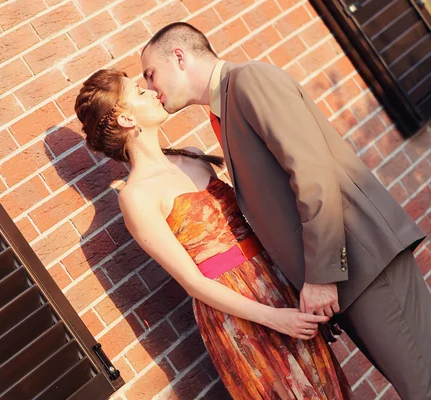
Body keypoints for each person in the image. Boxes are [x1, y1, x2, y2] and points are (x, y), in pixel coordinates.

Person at [141, 22, 430, 399]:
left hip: (365, 265)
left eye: (150, 74)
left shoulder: (249, 82)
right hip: (349, 280)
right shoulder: (223, 109)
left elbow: (312, 172)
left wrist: (323, 276)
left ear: (178, 57)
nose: (150, 88)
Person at [75, 69, 351, 399]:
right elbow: (193, 282)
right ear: (125, 119)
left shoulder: (192, 156)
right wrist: (274, 318)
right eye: (138, 91)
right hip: (240, 313)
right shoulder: (136, 197)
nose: (151, 91)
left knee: (326, 387)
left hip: (275, 280)